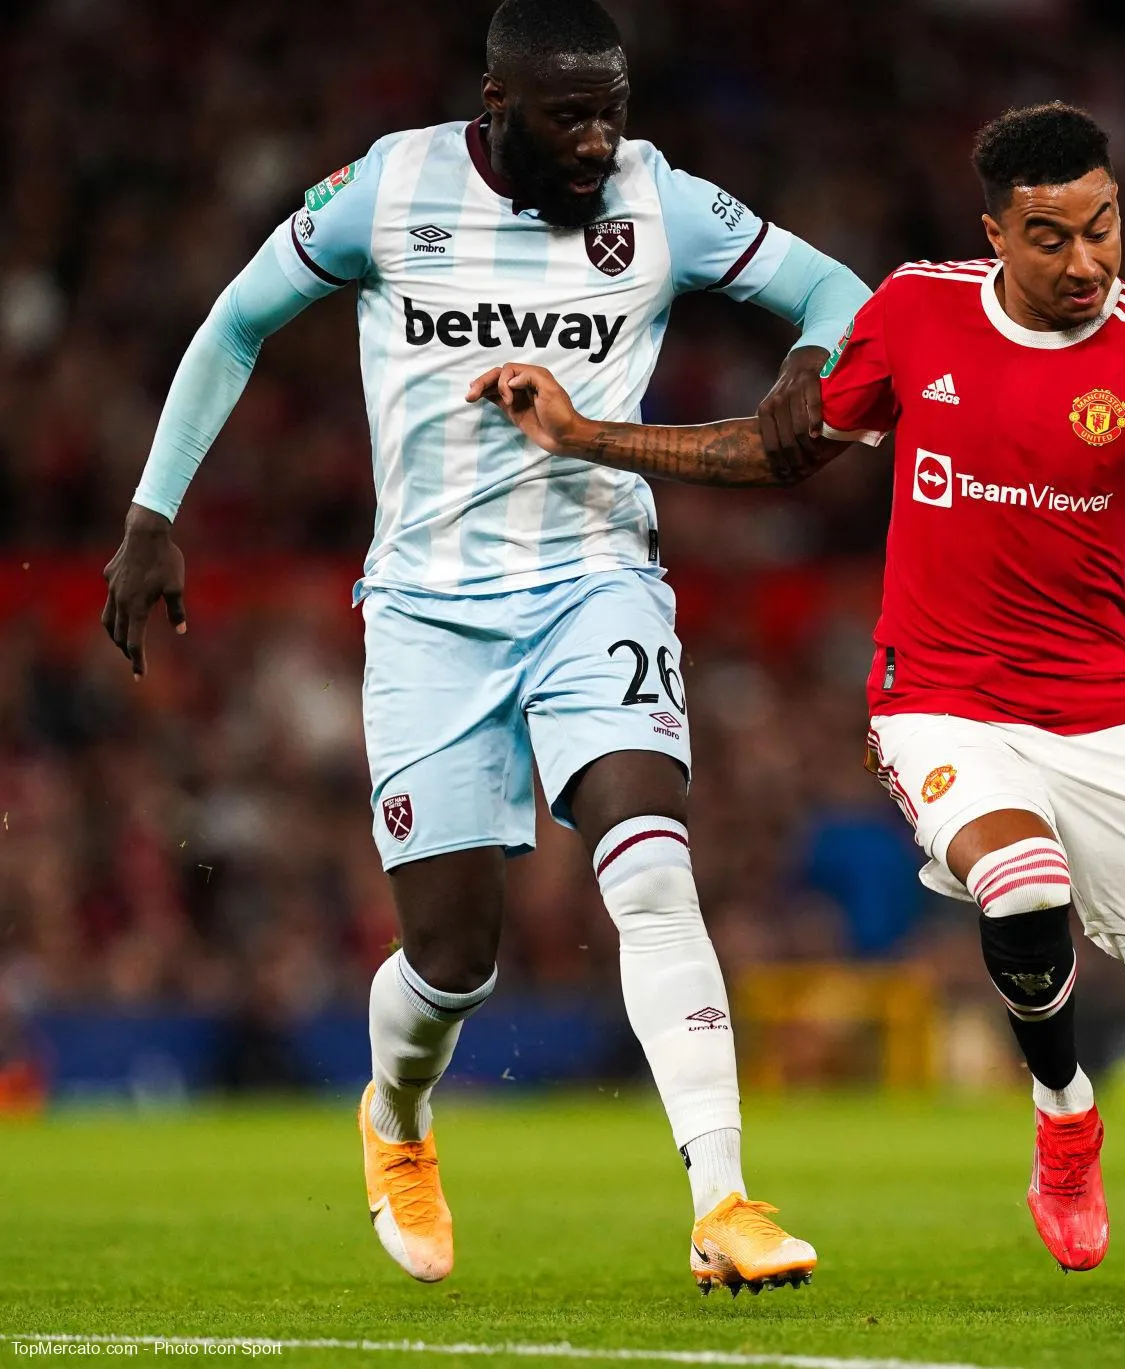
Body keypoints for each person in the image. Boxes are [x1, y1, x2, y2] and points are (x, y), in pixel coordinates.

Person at [468, 102, 1125, 1310]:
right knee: (1022, 885)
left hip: (1110, 714)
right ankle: (1062, 1111)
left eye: (1103, 228)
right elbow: (780, 447)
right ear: (994, 235)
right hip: (941, 695)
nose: (1085, 262)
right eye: (1050, 236)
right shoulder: (915, 311)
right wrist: (590, 435)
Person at [99, 0, 871, 1295]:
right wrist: (152, 508)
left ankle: (724, 1198)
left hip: (598, 585)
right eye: (572, 114)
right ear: (496, 106)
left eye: (615, 108)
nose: (601, 137)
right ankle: (396, 1120)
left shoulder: (659, 200)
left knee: (650, 863)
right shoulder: (389, 190)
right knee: (456, 956)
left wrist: (809, 361)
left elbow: (836, 292)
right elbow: (237, 319)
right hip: (426, 615)